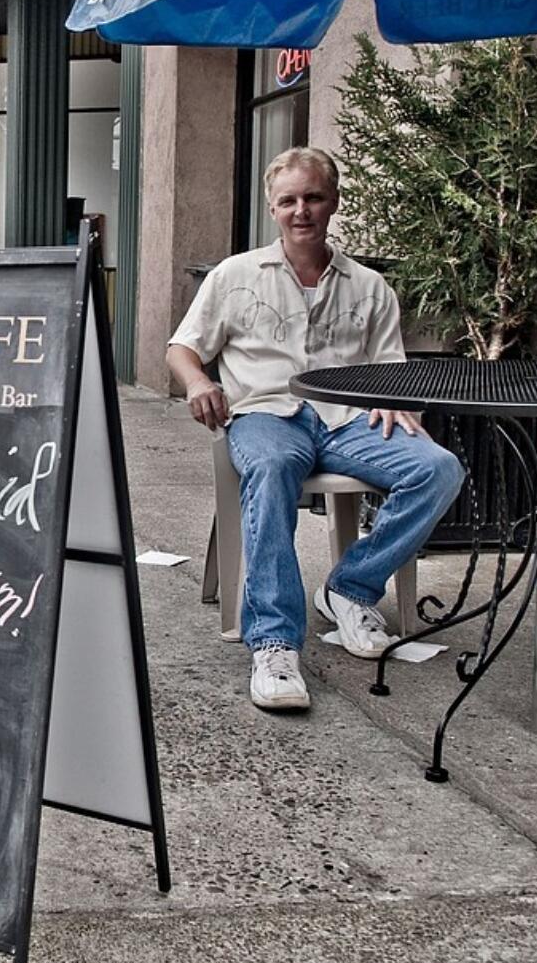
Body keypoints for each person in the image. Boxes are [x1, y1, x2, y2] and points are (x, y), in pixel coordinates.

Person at [167, 147, 464, 712]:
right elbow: (183, 347)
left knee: (439, 468)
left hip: (350, 419)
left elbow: (388, 368)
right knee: (273, 467)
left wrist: (403, 407)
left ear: (334, 202)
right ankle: (275, 643)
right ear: (272, 208)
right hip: (264, 413)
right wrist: (197, 384)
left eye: (313, 197)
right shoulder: (235, 275)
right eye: (289, 200)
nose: (301, 210)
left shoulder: (370, 286)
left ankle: (350, 588)